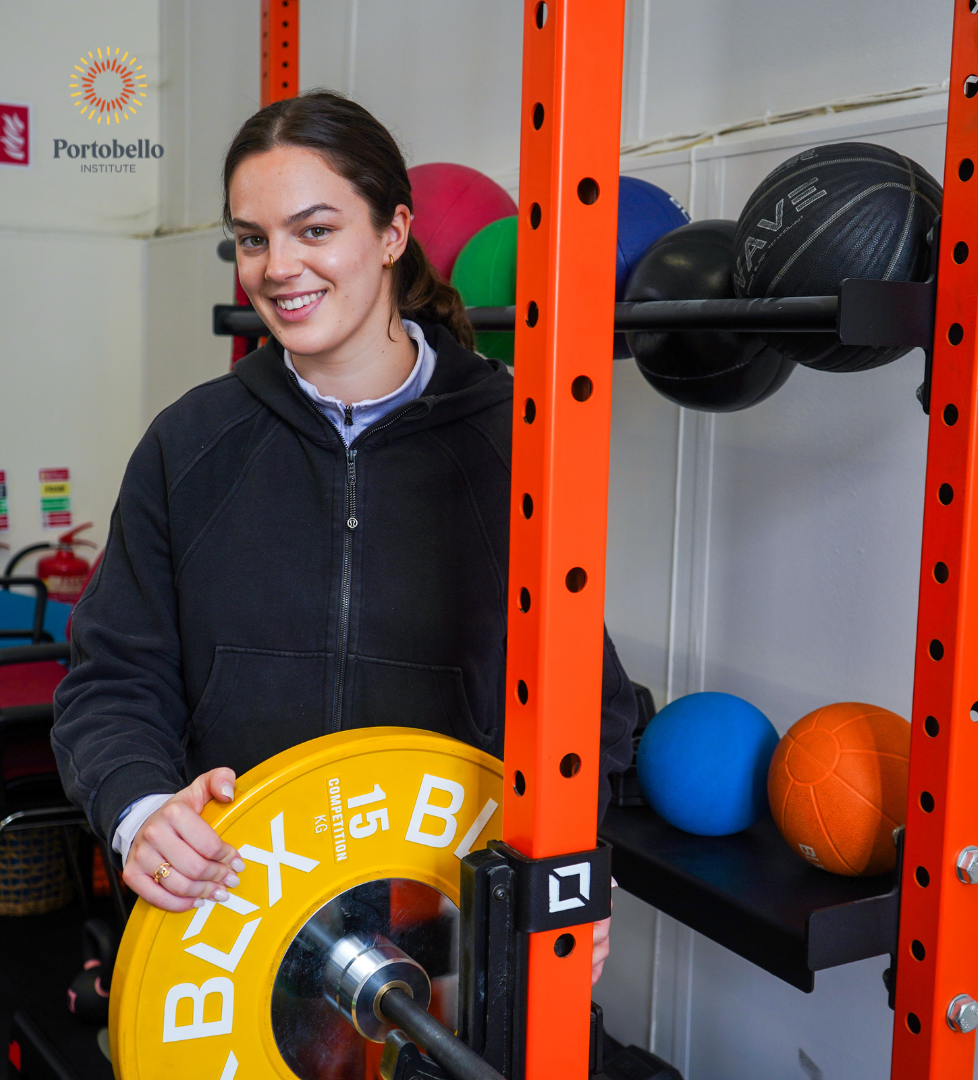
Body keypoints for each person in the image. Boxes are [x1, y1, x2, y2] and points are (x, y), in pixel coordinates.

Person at [51, 90, 635, 985]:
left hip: (449, 938)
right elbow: (111, 680)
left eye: (314, 229)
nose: (278, 266)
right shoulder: (190, 443)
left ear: (394, 232)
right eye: (253, 238)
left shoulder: (513, 442)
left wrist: (565, 879)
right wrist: (139, 808)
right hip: (232, 929)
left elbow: (587, 707)